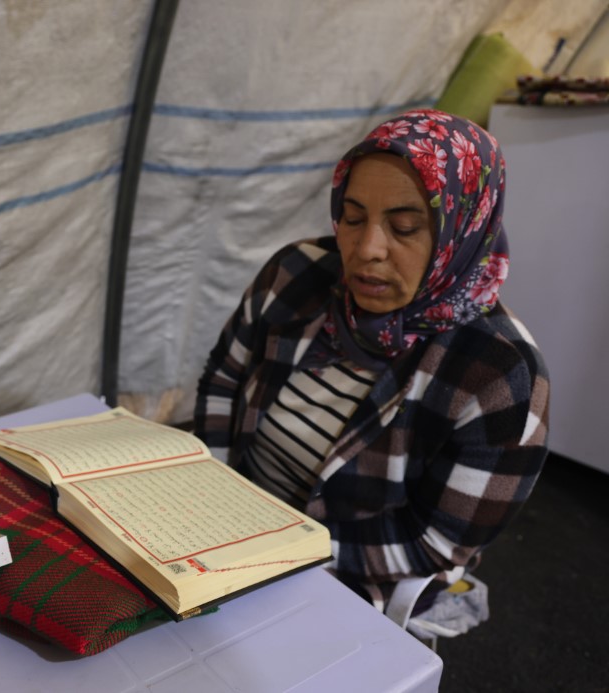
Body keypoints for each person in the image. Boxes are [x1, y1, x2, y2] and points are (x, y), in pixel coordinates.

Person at [194, 109, 550, 613]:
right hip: (224, 530)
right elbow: (225, 378)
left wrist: (270, 555)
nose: (366, 250)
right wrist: (204, 490)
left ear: (462, 232)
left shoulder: (500, 378)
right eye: (353, 217)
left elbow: (435, 543)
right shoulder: (297, 274)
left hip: (346, 582)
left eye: (404, 228)